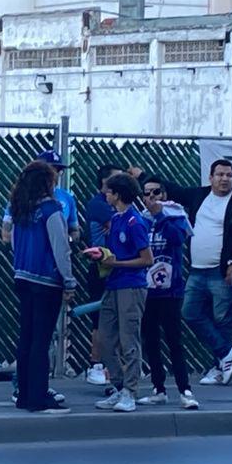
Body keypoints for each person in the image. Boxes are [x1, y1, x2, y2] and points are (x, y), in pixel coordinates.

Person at [166, 159, 232, 386]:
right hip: (197, 271)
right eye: (220, 174)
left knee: (223, 320)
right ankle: (226, 352)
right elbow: (174, 191)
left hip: (223, 272)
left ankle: (220, 368)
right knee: (189, 312)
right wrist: (143, 176)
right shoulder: (200, 196)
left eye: (228, 175)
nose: (225, 179)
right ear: (211, 177)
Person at [8, 160, 75, 414]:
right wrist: (68, 280)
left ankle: (24, 394)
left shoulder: (20, 209)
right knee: (42, 340)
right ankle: (39, 396)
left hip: (22, 276)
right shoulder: (51, 209)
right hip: (46, 280)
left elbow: (15, 242)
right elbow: (61, 247)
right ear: (47, 183)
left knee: (26, 336)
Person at [87, 172, 153, 413]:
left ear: (118, 194)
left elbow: (147, 259)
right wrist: (102, 256)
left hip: (131, 286)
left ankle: (131, 391)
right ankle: (117, 386)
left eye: (109, 191)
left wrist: (117, 264)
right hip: (112, 285)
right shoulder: (114, 220)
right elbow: (113, 254)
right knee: (105, 339)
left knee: (129, 339)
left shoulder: (136, 223)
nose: (105, 194)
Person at [136, 177, 197, 410]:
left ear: (164, 194)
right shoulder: (141, 220)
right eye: (146, 193)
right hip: (147, 289)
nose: (150, 197)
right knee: (150, 341)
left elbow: (177, 238)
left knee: (174, 340)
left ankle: (185, 389)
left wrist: (160, 214)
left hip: (170, 289)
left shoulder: (176, 214)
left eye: (155, 192)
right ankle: (158, 388)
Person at [82, 163, 123, 386]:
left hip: (119, 267)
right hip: (101, 268)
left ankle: (113, 366)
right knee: (100, 318)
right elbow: (116, 225)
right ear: (105, 183)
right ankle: (95, 365)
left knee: (118, 319)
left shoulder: (119, 207)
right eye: (118, 179)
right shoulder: (98, 204)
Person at [0, 150, 78, 243]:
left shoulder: (67, 198)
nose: (55, 174)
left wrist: (67, 239)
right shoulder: (21, 198)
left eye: (58, 170)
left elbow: (75, 231)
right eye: (50, 170)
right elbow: (6, 235)